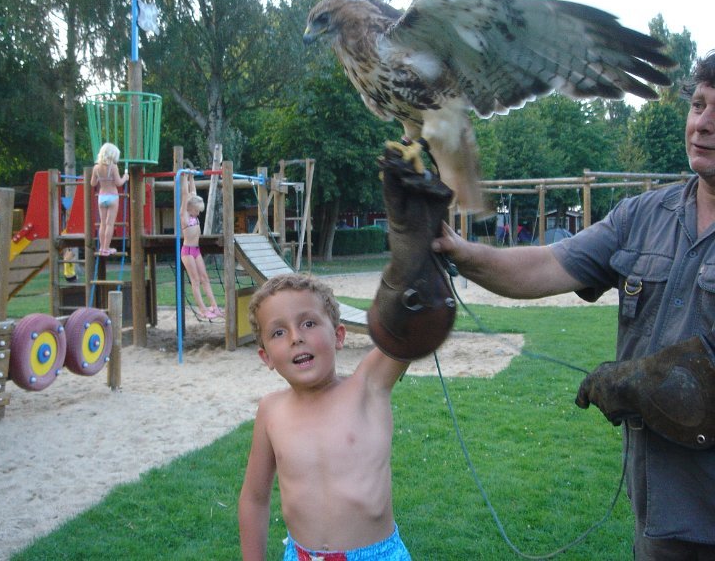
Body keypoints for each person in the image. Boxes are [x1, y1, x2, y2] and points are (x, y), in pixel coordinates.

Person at [432, 51, 715, 559]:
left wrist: (648, 381)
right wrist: (458, 251)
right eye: (698, 105)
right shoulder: (643, 216)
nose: (704, 124)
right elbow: (545, 266)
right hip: (663, 512)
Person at [238, 273, 413, 560]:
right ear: (266, 356)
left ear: (338, 335)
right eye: (278, 332)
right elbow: (254, 499)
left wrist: (419, 267)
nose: (296, 338)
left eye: (309, 323)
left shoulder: (368, 388)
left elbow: (408, 329)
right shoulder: (271, 411)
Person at [180, 173, 222, 319]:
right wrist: (184, 178)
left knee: (205, 277)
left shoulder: (193, 212)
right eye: (197, 211)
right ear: (189, 208)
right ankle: (203, 310)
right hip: (187, 252)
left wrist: (192, 179)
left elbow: (193, 195)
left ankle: (214, 307)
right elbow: (186, 196)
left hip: (196, 250)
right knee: (196, 280)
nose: (198, 214)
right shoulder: (184, 216)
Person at [90, 142, 128, 256]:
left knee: (102, 223)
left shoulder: (96, 167)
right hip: (112, 196)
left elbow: (92, 183)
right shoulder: (113, 167)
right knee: (110, 224)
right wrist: (125, 177)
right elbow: (118, 183)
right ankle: (107, 248)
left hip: (101, 197)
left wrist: (99, 179)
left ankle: (102, 248)